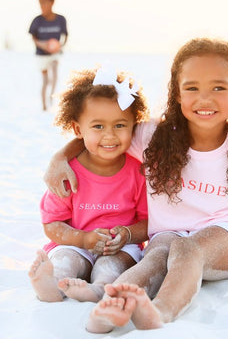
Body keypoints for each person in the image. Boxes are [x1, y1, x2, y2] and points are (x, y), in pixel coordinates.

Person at [43, 38, 228, 333]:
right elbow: (108, 133)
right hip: (168, 235)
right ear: (177, 92)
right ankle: (108, 303)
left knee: (188, 249)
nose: (205, 99)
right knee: (155, 257)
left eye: (218, 87)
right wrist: (60, 158)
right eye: (192, 88)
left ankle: (161, 311)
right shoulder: (154, 136)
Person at [29, 66, 150, 303]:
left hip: (121, 247)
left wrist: (126, 234)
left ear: (133, 126)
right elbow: (52, 224)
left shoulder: (138, 172)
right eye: (98, 126)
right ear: (77, 129)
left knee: (110, 266)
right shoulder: (67, 173)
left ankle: (98, 289)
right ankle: (51, 287)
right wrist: (83, 240)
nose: (110, 135)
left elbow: (149, 222)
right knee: (65, 260)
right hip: (76, 242)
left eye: (120, 125)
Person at [28, 0, 68, 111]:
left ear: (51, 2)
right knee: (46, 81)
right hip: (41, 55)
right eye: (40, 3)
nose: (42, 6)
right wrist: (42, 45)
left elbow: (65, 36)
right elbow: (33, 37)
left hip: (54, 53)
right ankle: (44, 106)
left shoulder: (60, 19)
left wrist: (60, 45)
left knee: (55, 72)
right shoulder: (37, 20)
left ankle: (52, 97)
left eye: (44, 2)